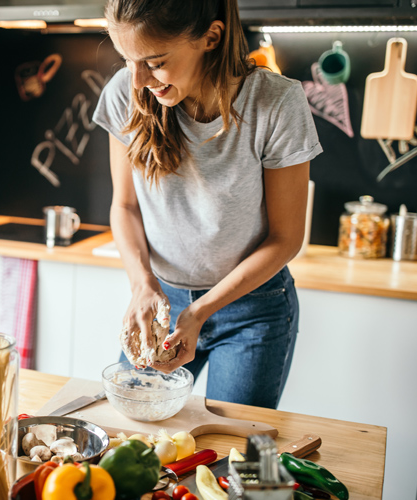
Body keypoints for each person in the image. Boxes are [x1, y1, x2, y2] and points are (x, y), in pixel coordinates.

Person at [92, 0, 322, 409]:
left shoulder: (276, 103)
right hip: (164, 301)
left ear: (210, 38)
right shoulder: (125, 95)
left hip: (253, 310)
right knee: (132, 433)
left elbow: (286, 239)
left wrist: (202, 311)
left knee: (229, 452)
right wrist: (142, 283)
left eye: (155, 62)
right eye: (127, 60)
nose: (139, 79)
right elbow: (124, 206)